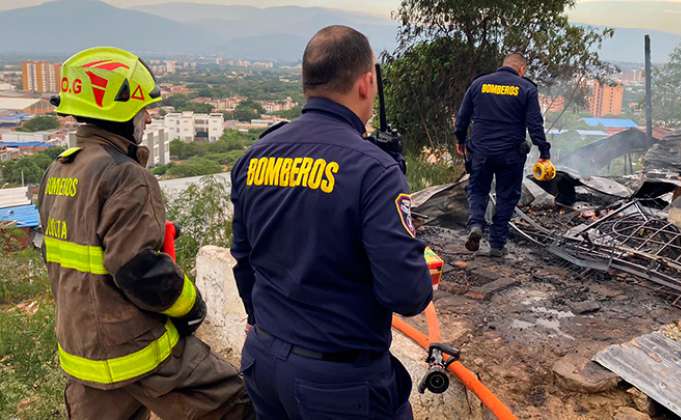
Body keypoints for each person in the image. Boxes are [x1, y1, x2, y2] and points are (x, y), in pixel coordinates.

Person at [230, 26, 433, 420]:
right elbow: (407, 294)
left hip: (263, 363)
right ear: (367, 82)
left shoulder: (254, 157)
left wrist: (261, 323)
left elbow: (243, 259)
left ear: (307, 82)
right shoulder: (375, 170)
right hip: (337, 383)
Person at [39, 47, 253, 420]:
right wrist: (191, 306)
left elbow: (74, 252)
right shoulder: (125, 175)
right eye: (143, 109)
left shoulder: (58, 173)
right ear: (118, 111)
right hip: (134, 350)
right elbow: (138, 270)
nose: (149, 117)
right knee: (234, 402)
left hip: (82, 354)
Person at [454, 53, 551, 257]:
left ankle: (476, 224)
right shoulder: (526, 88)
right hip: (511, 155)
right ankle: (497, 245)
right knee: (507, 196)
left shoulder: (479, 84)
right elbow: (535, 124)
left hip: (481, 151)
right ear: (521, 69)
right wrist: (544, 151)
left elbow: (462, 117)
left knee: (478, 189)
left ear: (503, 65)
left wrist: (460, 140)